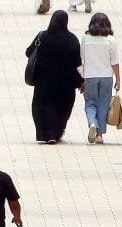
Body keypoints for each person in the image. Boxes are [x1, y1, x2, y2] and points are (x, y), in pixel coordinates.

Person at [26, 10, 84, 144]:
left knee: (41, 106)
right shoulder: (71, 39)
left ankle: (42, 134)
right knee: (61, 107)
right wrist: (81, 81)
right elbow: (78, 63)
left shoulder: (42, 36)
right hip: (65, 85)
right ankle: (54, 133)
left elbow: (29, 52)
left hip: (43, 82)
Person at [81, 13, 120, 144]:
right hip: (106, 77)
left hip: (90, 76)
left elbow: (82, 59)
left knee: (90, 103)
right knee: (103, 105)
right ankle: (99, 135)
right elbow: (114, 62)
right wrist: (118, 79)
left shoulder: (86, 38)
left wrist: (81, 78)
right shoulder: (111, 40)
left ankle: (92, 123)